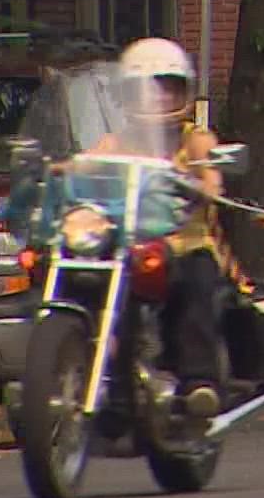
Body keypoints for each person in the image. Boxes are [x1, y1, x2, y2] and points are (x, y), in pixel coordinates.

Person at [86, 38, 237, 419]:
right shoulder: (116, 140)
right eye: (146, 88)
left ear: (183, 90)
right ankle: (99, 381)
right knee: (92, 283)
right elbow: (86, 164)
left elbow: (212, 175)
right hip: (130, 249)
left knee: (196, 282)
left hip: (185, 244)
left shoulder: (195, 138)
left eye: (167, 85)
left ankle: (198, 382)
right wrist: (58, 172)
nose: (157, 96)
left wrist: (207, 184)